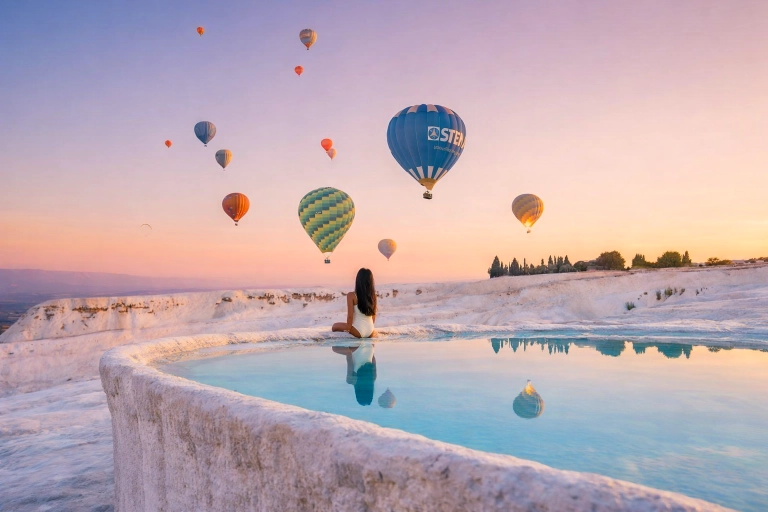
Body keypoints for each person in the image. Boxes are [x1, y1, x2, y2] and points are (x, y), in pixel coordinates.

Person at [332, 268, 377, 338]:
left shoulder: (351, 295)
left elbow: (350, 317)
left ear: (358, 280)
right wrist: (368, 329)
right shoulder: (373, 296)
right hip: (370, 330)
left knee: (334, 326)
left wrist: (348, 328)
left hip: (358, 330)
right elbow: (373, 317)